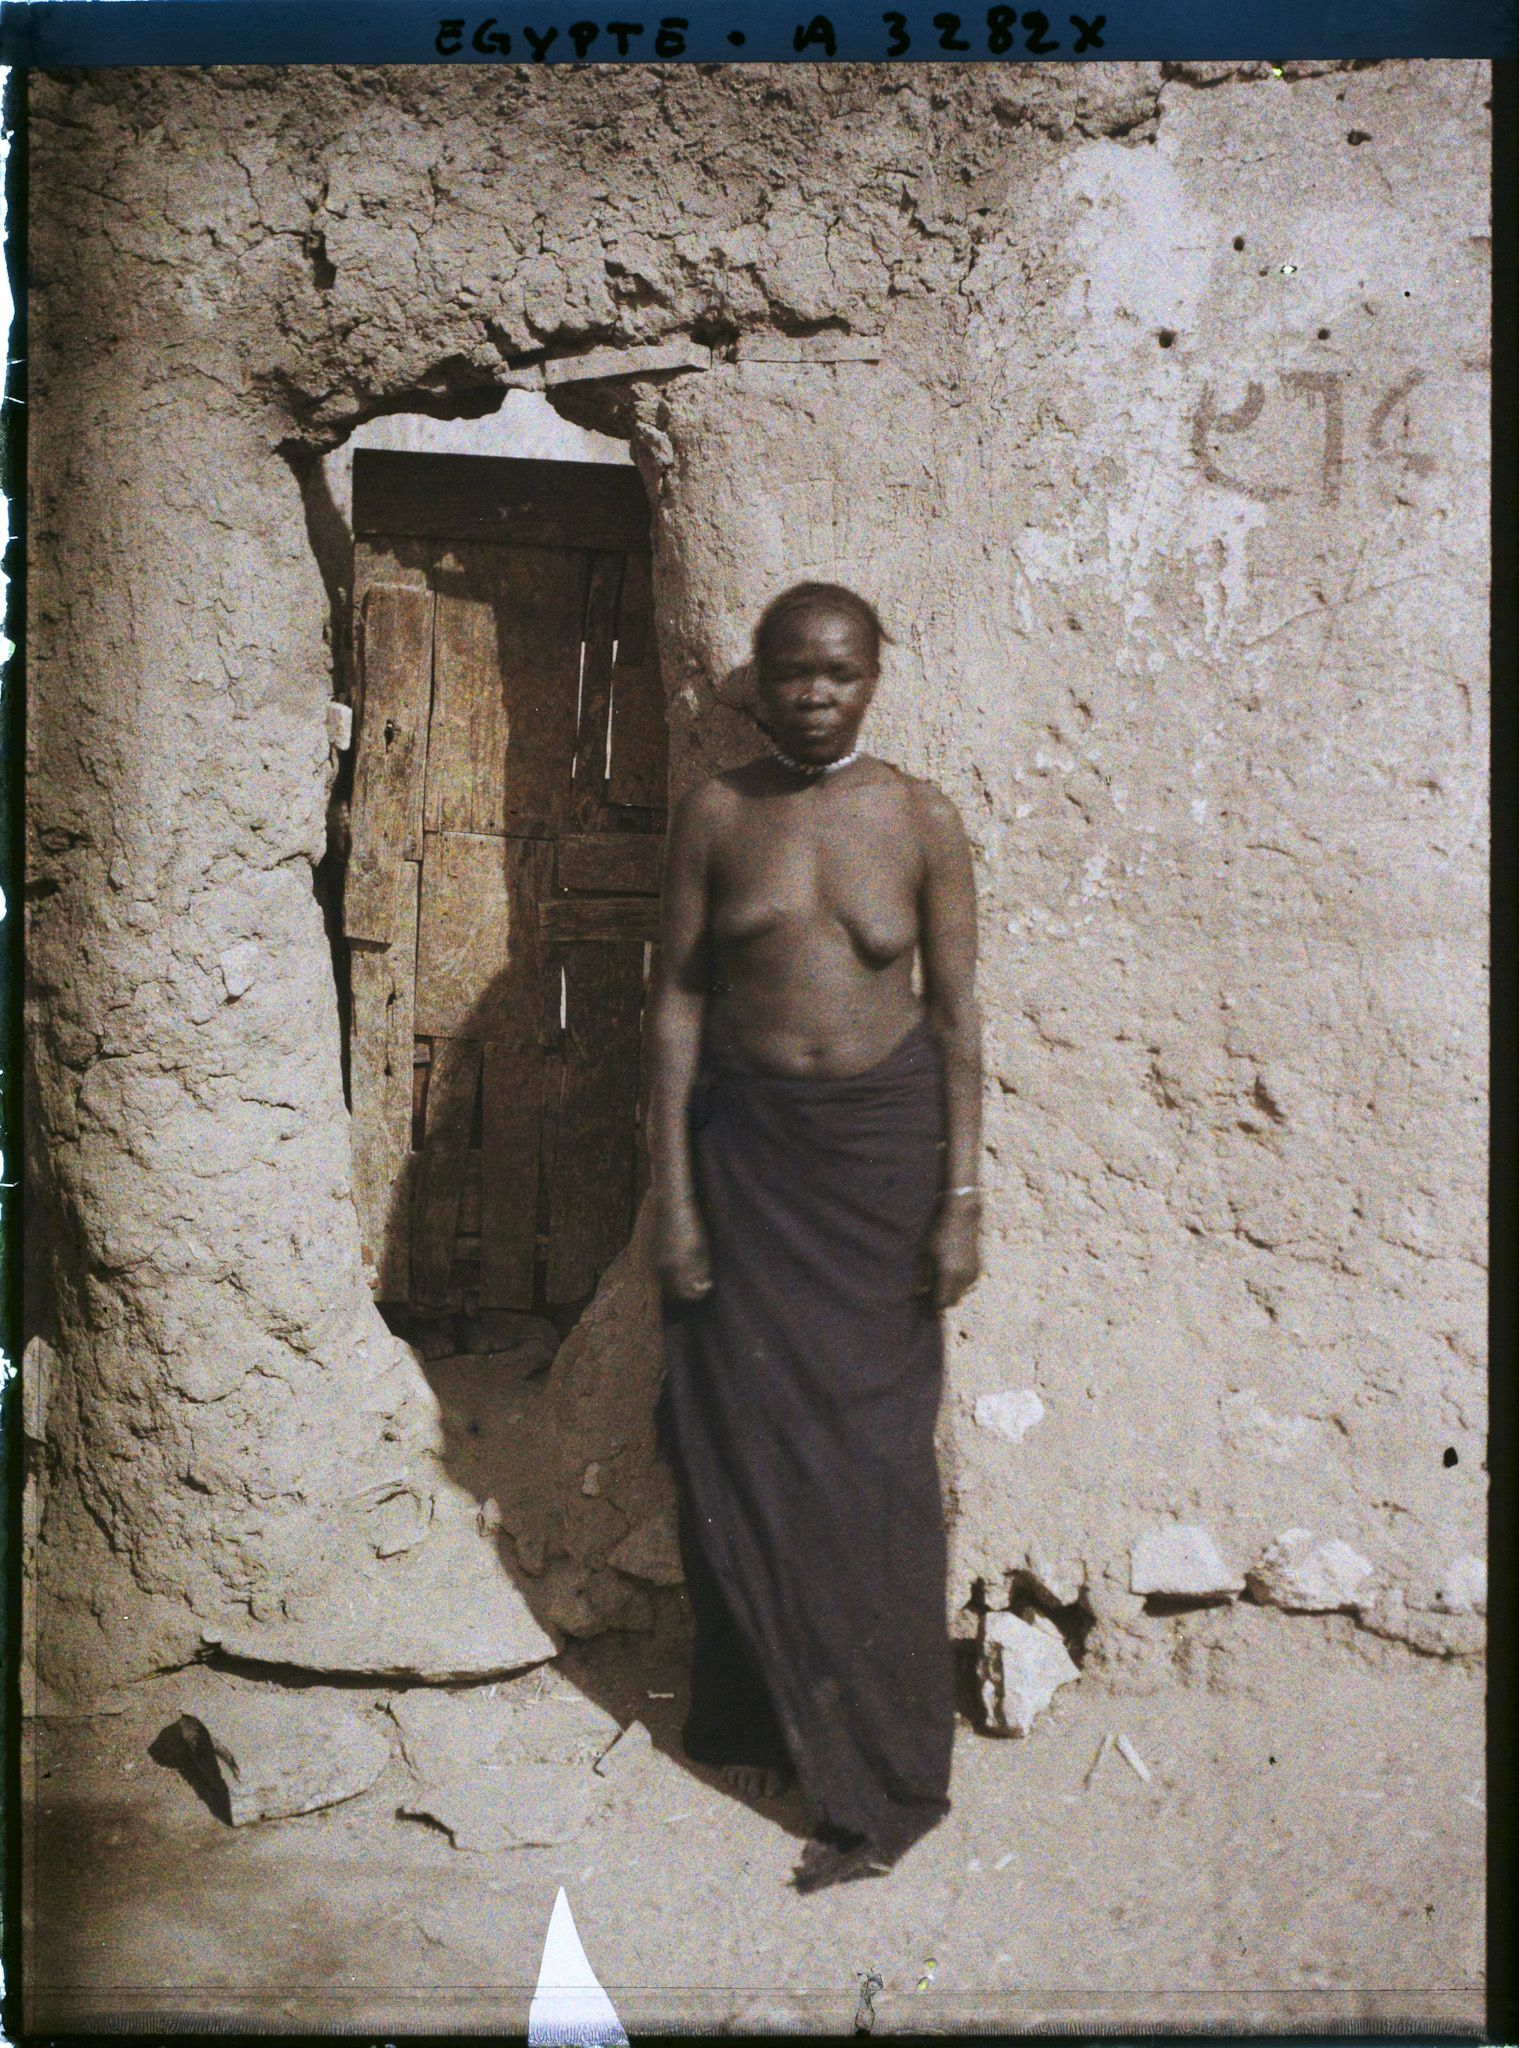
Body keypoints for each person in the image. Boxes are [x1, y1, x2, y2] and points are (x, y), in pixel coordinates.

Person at [649, 581, 983, 1894]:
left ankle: (885, 1780)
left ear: (876, 677)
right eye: (789, 673)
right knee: (735, 1443)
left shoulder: (921, 820)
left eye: (837, 673)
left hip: (881, 1168)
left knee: (874, 1467)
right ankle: (759, 1719)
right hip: (747, 1159)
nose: (812, 694)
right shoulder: (716, 816)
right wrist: (669, 1193)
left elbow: (958, 1019)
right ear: (758, 681)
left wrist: (963, 1198)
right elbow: (673, 1007)